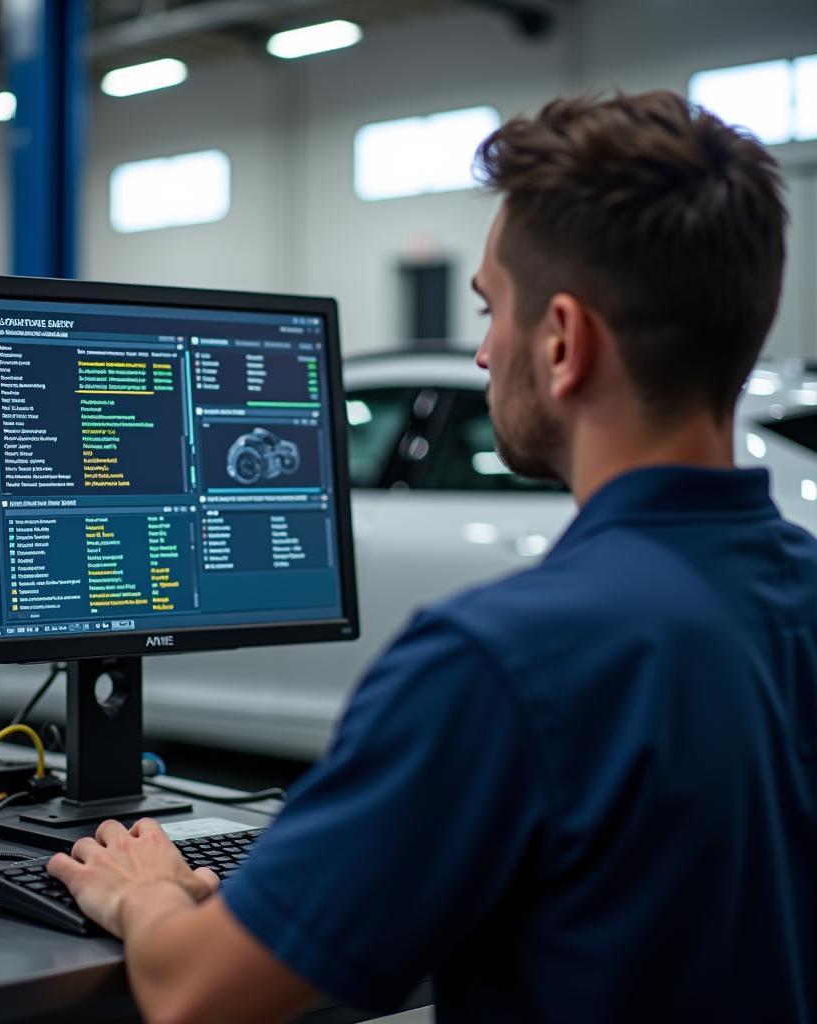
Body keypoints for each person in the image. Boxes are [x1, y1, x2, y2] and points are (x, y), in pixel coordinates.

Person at [47, 90, 816, 1023]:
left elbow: (195, 991)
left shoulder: (502, 662)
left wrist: (142, 891)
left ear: (564, 341)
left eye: (492, 309)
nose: (486, 353)